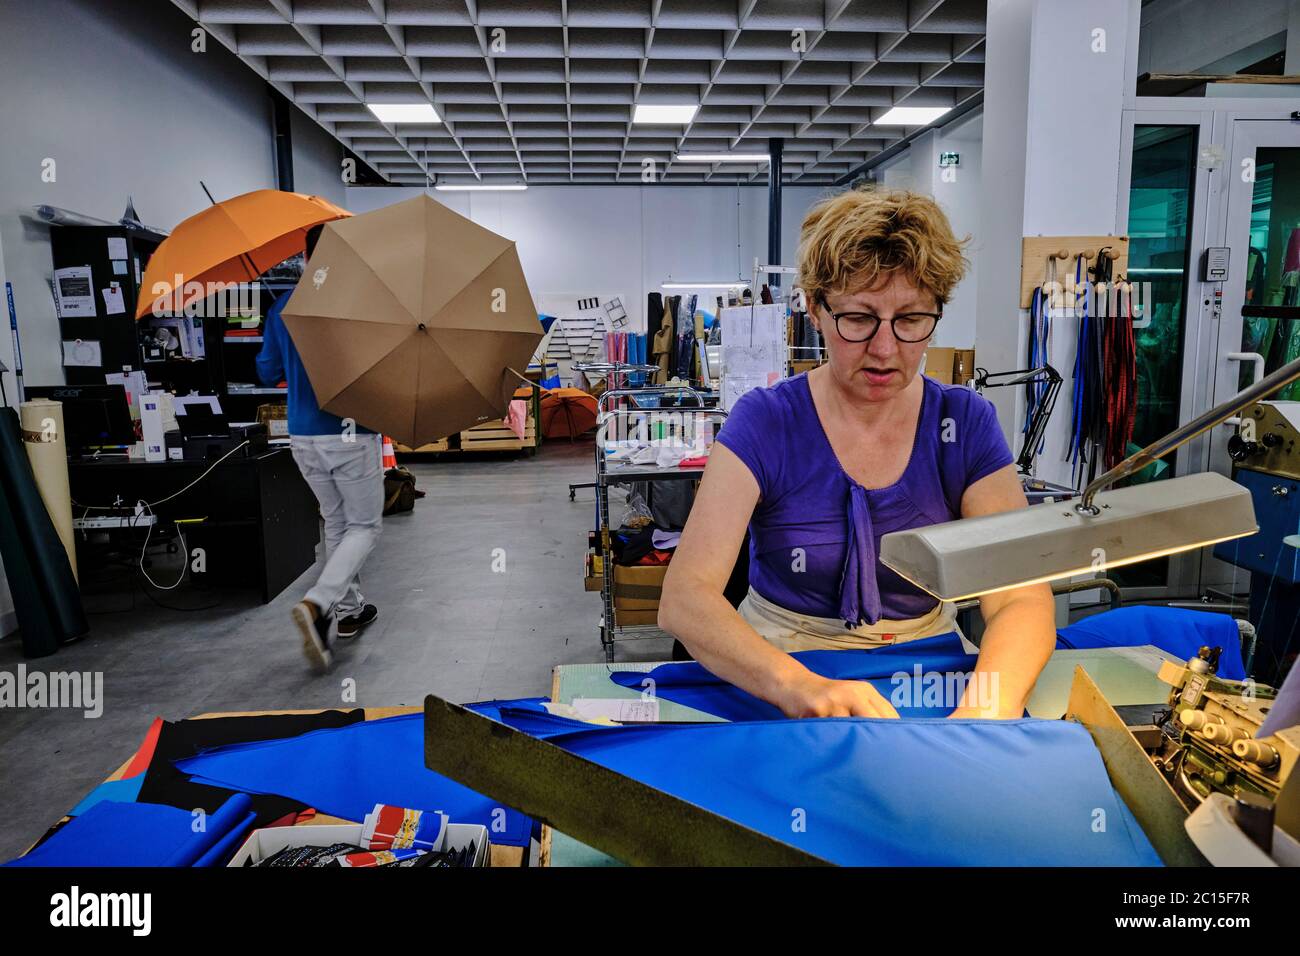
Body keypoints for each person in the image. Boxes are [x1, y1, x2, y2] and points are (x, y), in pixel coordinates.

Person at [658, 188, 1056, 719]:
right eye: (858, 318)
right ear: (815, 309)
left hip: (925, 665)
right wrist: (802, 688)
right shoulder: (766, 421)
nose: (885, 349)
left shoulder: (964, 424)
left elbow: (1020, 597)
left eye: (910, 319)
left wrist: (984, 712)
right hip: (781, 662)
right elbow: (686, 598)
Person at [256, 225, 382, 671]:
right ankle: (319, 602)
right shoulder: (361, 307)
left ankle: (347, 611)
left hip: (303, 435)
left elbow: (267, 372)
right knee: (365, 527)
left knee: (337, 521)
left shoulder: (283, 307)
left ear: (307, 258)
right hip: (350, 431)